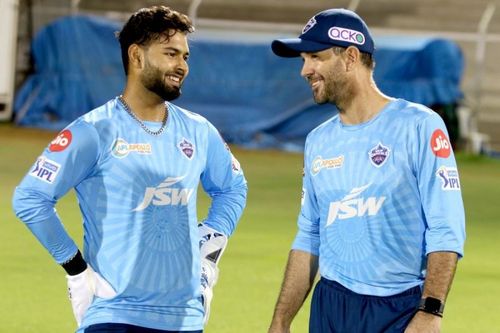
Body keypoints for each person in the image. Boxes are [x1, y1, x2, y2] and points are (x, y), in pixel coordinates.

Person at [12, 6, 247, 333]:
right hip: (114, 315)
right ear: (137, 56)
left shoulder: (199, 131)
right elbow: (30, 199)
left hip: (185, 318)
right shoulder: (94, 131)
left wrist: (208, 255)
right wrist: (76, 270)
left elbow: (233, 188)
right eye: (170, 54)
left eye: (185, 57)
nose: (181, 65)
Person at [268, 8, 465, 333]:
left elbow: (446, 228)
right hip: (330, 307)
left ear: (350, 56)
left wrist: (431, 311)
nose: (305, 70)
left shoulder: (419, 125)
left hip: (398, 308)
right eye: (303, 59)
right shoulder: (318, 141)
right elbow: (309, 235)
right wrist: (280, 321)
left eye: (315, 57)